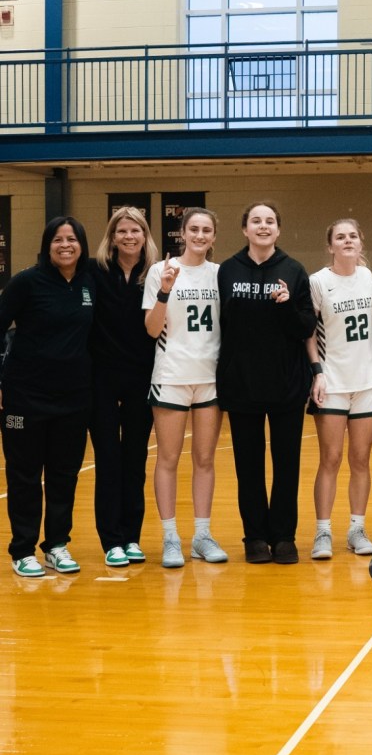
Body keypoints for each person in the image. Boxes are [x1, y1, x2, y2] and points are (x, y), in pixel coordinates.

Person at [217, 201, 316, 565]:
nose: (263, 226)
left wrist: (287, 305)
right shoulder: (227, 270)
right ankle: (255, 537)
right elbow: (220, 328)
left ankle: (284, 536)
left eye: (269, 221)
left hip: (286, 385)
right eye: (256, 221)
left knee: (287, 464)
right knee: (249, 467)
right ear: (245, 229)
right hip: (241, 384)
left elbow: (306, 326)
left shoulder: (293, 270)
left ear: (278, 230)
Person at [0, 217, 95, 577]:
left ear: (82, 244)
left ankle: (56, 545)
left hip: (73, 399)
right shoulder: (26, 282)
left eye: (72, 239)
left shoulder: (89, 283)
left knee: (63, 475)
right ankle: (22, 550)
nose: (66, 245)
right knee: (24, 476)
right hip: (25, 396)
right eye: (58, 239)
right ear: (47, 244)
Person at [143, 208, 226, 568]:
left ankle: (202, 536)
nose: (200, 235)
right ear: (182, 233)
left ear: (213, 236)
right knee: (169, 458)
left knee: (205, 459)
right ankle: (170, 537)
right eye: (194, 229)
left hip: (210, 377)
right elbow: (150, 329)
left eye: (206, 230)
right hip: (172, 375)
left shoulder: (221, 274)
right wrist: (165, 291)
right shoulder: (160, 271)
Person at [307, 219, 372, 559]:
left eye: (353, 235)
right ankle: (323, 532)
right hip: (333, 382)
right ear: (330, 246)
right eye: (340, 236)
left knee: (361, 459)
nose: (347, 240)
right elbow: (308, 331)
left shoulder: (368, 278)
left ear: (360, 242)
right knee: (331, 458)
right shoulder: (318, 282)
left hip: (367, 380)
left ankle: (356, 528)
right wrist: (317, 371)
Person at [89, 206, 159, 567]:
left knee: (135, 459)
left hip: (140, 378)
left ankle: (131, 536)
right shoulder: (95, 271)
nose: (129, 237)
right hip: (100, 379)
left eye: (136, 231)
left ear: (145, 236)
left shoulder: (156, 275)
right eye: (122, 232)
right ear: (112, 237)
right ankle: (111, 541)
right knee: (108, 459)